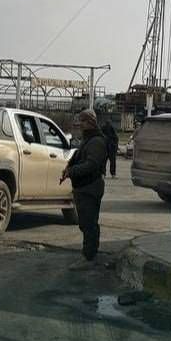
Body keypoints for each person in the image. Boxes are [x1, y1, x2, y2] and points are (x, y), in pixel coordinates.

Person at [60, 108, 108, 267]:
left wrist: (72, 171)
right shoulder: (88, 140)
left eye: (82, 121)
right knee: (86, 223)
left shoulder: (96, 142)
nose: (79, 124)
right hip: (84, 188)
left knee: (89, 224)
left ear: (90, 122)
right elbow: (80, 157)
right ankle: (90, 254)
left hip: (90, 188)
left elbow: (91, 165)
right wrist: (69, 167)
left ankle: (89, 257)